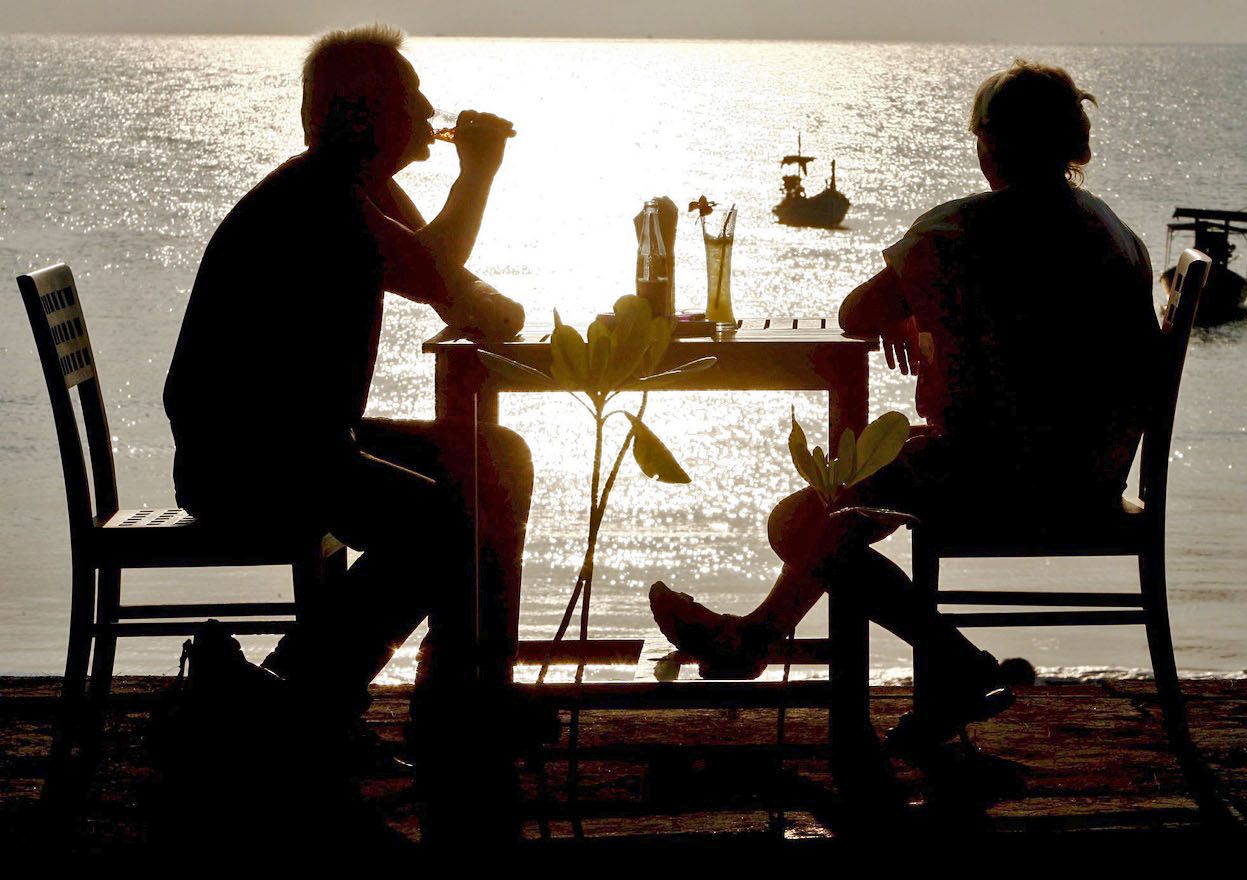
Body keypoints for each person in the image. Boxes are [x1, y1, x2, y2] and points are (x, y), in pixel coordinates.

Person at [650, 60, 1159, 750]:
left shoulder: (962, 229)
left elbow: (857, 309)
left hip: (999, 479)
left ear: (987, 145)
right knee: (842, 507)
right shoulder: (1115, 233)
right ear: (1073, 145)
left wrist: (910, 323)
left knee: (802, 518)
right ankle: (759, 638)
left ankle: (954, 664)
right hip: (1089, 482)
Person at [163, 23, 532, 787]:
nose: (430, 104)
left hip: (304, 441)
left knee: (495, 457)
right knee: (438, 522)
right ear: (363, 116)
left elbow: (434, 271)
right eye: (411, 94)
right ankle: (299, 698)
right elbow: (433, 273)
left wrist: (483, 293)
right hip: (247, 459)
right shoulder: (322, 197)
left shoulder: (356, 189)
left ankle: (458, 693)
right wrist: (480, 173)